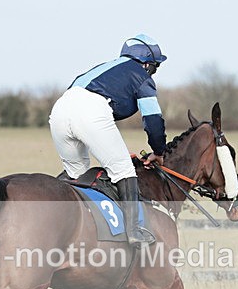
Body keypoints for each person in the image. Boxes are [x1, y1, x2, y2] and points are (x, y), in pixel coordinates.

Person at [49, 34, 168, 246]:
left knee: (77, 174)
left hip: (60, 109)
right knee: (123, 170)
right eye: (155, 67)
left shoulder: (106, 67)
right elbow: (153, 120)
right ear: (148, 64)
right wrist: (158, 151)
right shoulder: (142, 76)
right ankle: (134, 232)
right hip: (90, 111)